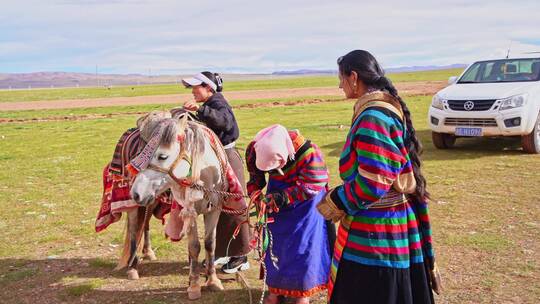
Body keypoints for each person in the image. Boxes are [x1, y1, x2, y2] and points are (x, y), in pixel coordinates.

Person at [317, 50, 440, 304]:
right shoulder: (380, 109)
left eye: (341, 77)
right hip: (386, 223)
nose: (339, 84)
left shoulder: (373, 117)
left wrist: (335, 200)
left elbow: (374, 182)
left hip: (378, 230)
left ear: (353, 77)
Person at [245, 124, 333, 304]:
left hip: (307, 204)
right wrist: (256, 194)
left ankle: (302, 295)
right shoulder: (255, 149)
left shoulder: (309, 153)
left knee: (303, 247)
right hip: (275, 200)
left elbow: (312, 185)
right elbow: (255, 178)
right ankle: (275, 292)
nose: (271, 171)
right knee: (275, 244)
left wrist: (281, 198)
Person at [179, 71, 250, 273]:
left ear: (208, 88)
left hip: (227, 157)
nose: (193, 91)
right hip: (214, 157)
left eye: (196, 87)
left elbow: (225, 122)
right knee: (216, 207)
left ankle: (241, 256)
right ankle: (221, 251)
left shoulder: (218, 103)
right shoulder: (211, 104)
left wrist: (201, 111)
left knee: (234, 204)